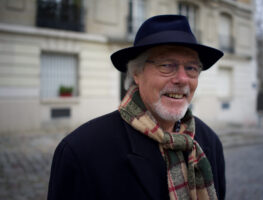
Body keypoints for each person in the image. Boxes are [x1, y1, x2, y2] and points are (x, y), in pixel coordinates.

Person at [47, 15, 226, 200]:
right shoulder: (81, 151)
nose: (182, 79)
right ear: (136, 73)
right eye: (166, 65)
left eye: (191, 68)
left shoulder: (209, 143)